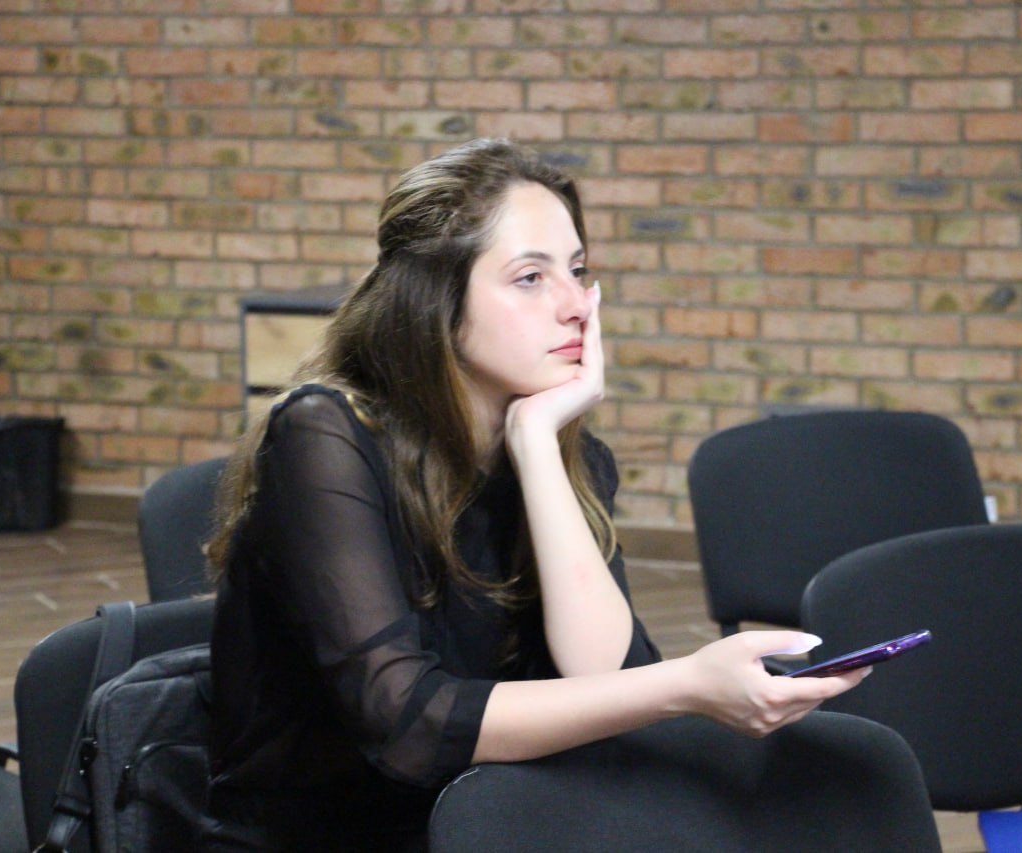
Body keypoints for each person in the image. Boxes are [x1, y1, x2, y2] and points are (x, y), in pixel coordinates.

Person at [200, 137, 867, 850]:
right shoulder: (326, 436)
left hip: (497, 816)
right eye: (530, 278)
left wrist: (537, 443)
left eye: (578, 272)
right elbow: (408, 727)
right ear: (435, 301)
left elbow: (603, 673)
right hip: (328, 833)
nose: (576, 305)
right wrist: (686, 686)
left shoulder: (558, 449)